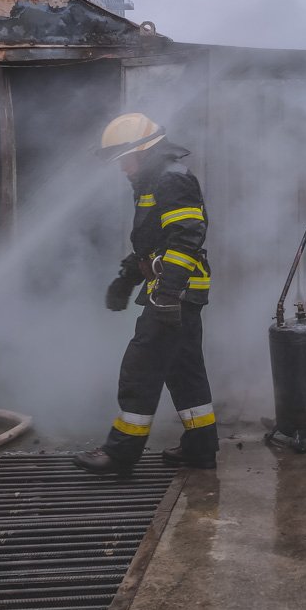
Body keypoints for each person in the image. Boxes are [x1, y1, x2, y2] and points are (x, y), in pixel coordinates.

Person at [74, 112, 219, 475]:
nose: (122, 167)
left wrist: (167, 294)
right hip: (176, 292)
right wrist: (127, 277)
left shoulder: (172, 180)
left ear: (144, 152)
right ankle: (200, 448)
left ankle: (121, 453)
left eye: (125, 159)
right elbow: (153, 241)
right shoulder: (154, 181)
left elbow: (186, 238)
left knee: (140, 369)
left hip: (175, 293)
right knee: (184, 371)